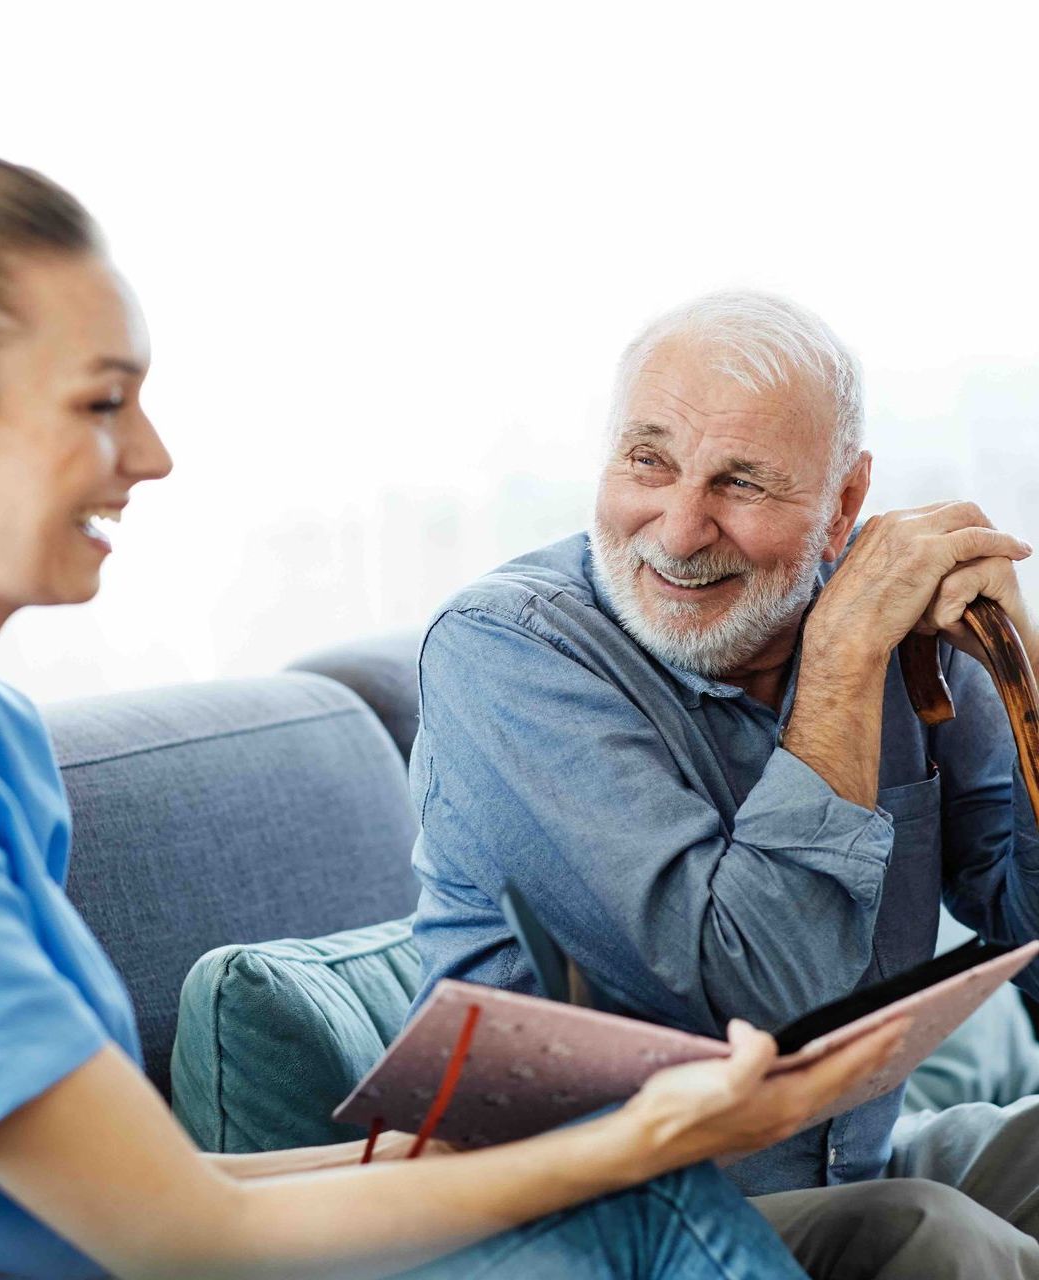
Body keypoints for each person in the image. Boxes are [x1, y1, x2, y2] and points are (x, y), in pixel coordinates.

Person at [0, 153, 899, 1280]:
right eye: (103, 403)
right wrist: (654, 1132)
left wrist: (391, 1168)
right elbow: (176, 1240)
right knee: (646, 1207)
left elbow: (143, 1184)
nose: (153, 456)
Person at [407, 288, 1039, 1275]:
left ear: (839, 505)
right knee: (931, 1235)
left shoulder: (900, 625)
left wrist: (1022, 673)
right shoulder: (507, 652)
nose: (679, 526)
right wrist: (838, 662)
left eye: (739, 482)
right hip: (615, 1226)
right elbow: (759, 999)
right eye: (647, 460)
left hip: (849, 1169)